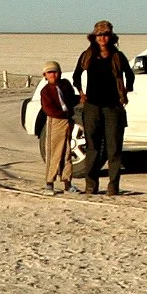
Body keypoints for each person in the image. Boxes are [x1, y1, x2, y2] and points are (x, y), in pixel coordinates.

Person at [72, 21, 134, 196]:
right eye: (99, 35)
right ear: (94, 37)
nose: (102, 38)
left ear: (111, 37)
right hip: (92, 107)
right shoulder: (87, 55)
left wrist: (125, 92)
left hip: (113, 107)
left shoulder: (117, 56)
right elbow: (76, 76)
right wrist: (81, 93)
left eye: (105, 35)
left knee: (114, 148)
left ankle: (113, 186)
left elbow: (130, 75)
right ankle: (91, 185)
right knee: (92, 148)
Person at [35, 60, 77, 193]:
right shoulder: (46, 91)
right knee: (54, 152)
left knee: (67, 152)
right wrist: (64, 114)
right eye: (50, 72)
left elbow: (71, 99)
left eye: (55, 72)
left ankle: (67, 182)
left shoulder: (65, 85)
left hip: (67, 120)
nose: (53, 75)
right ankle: (49, 182)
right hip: (55, 121)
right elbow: (49, 109)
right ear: (45, 75)